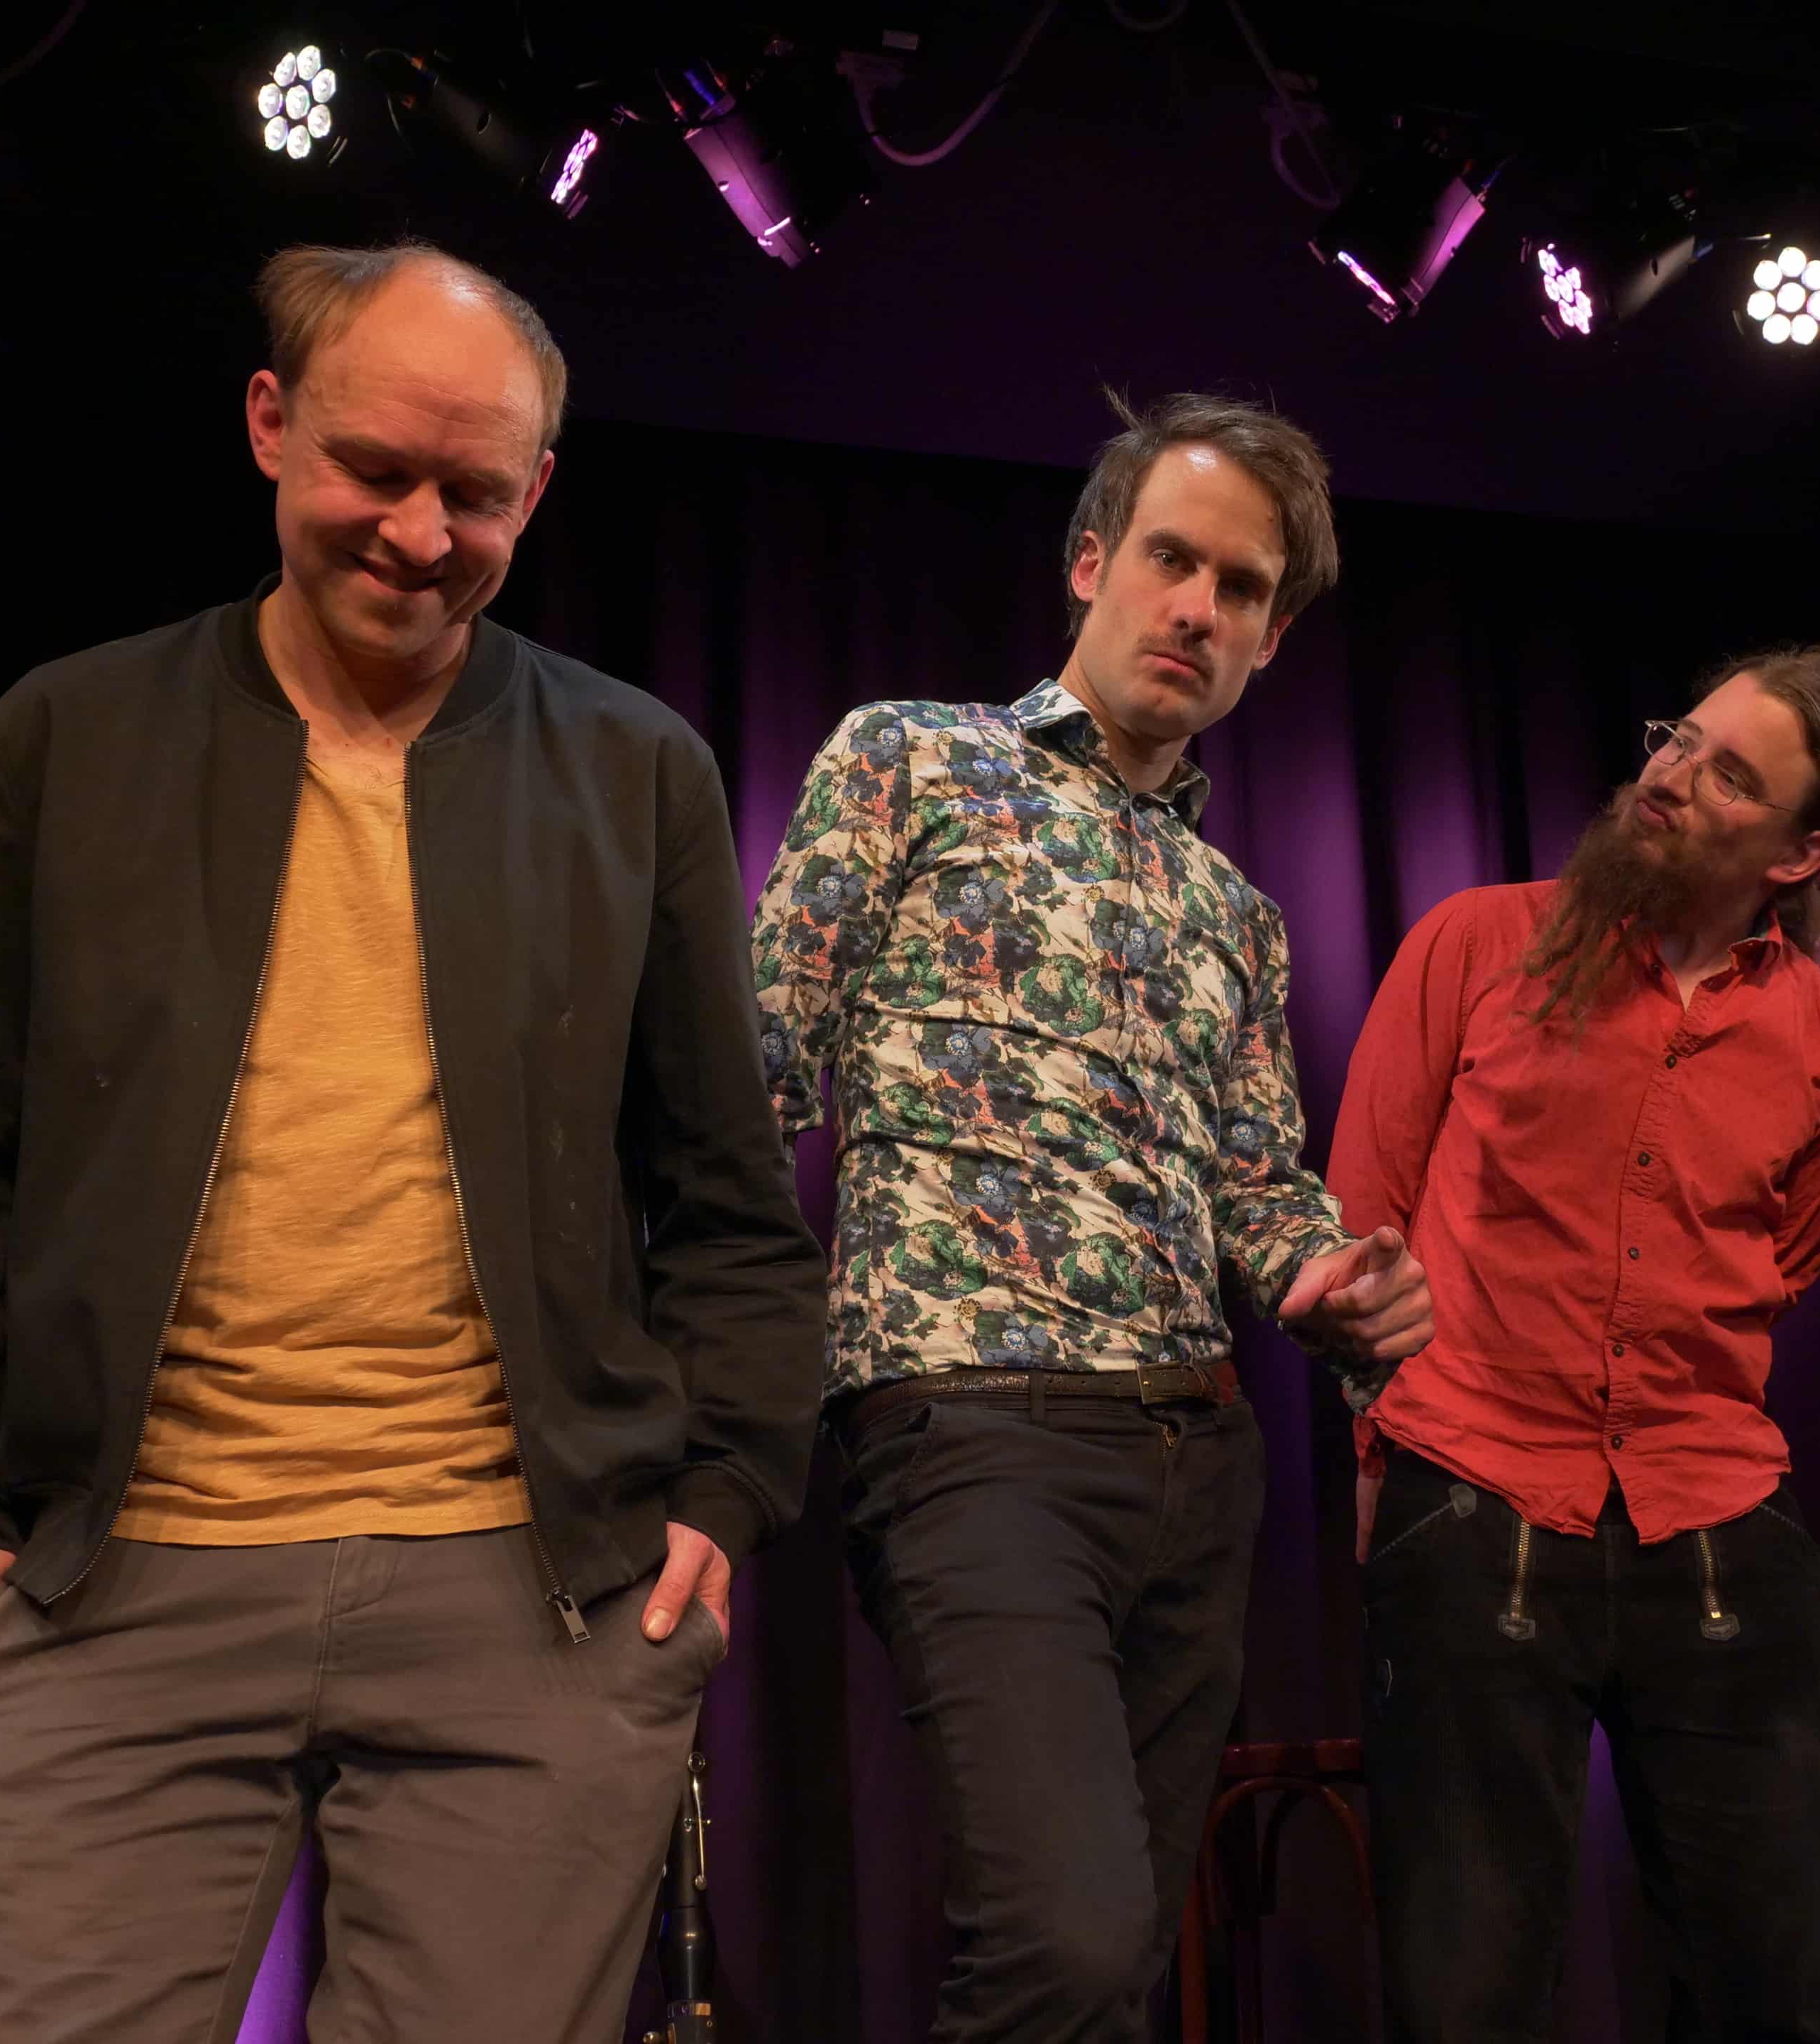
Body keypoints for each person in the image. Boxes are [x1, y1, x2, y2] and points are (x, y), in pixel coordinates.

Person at [0, 241, 825, 2040]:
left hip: (529, 1596)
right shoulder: (69, 735)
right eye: (377, 469)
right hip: (106, 1574)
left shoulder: (637, 770)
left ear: (538, 491)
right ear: (269, 424)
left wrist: (722, 1500)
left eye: (476, 493)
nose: (421, 534)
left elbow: (729, 1203)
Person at [753, 389, 1431, 2040]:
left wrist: (1334, 1282)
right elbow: (761, 1063)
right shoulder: (910, 758)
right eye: (1171, 560)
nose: (1197, 608)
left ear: (1271, 639)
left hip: (1197, 1461)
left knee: (1116, 1970)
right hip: (970, 1426)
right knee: (1064, 1941)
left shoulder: (1237, 914)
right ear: (1090, 563)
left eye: (1242, 589)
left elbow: (1257, 1184)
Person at [1328, 647, 1820, 2043]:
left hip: (1720, 1531)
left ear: (1800, 854)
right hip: (1473, 1501)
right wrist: (1384, 1454)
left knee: (1772, 1997)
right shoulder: (1477, 942)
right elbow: (1362, 1224)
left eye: (1730, 775)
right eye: (1678, 739)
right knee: (1464, 2001)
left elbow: (1780, 1270)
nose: (1672, 776)